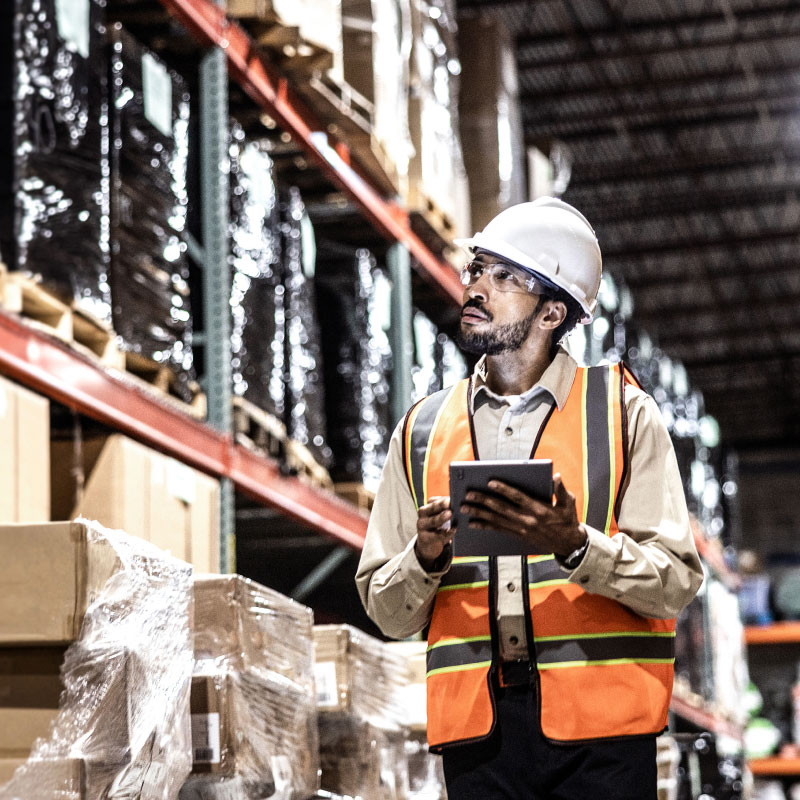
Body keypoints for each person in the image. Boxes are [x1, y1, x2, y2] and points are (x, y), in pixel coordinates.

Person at [355, 197, 704, 800]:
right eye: (478, 270)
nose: (477, 288)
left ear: (552, 312)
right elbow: (387, 611)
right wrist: (427, 556)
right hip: (479, 737)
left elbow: (675, 580)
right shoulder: (421, 431)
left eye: (505, 276)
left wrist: (576, 547)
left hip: (605, 737)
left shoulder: (623, 416)